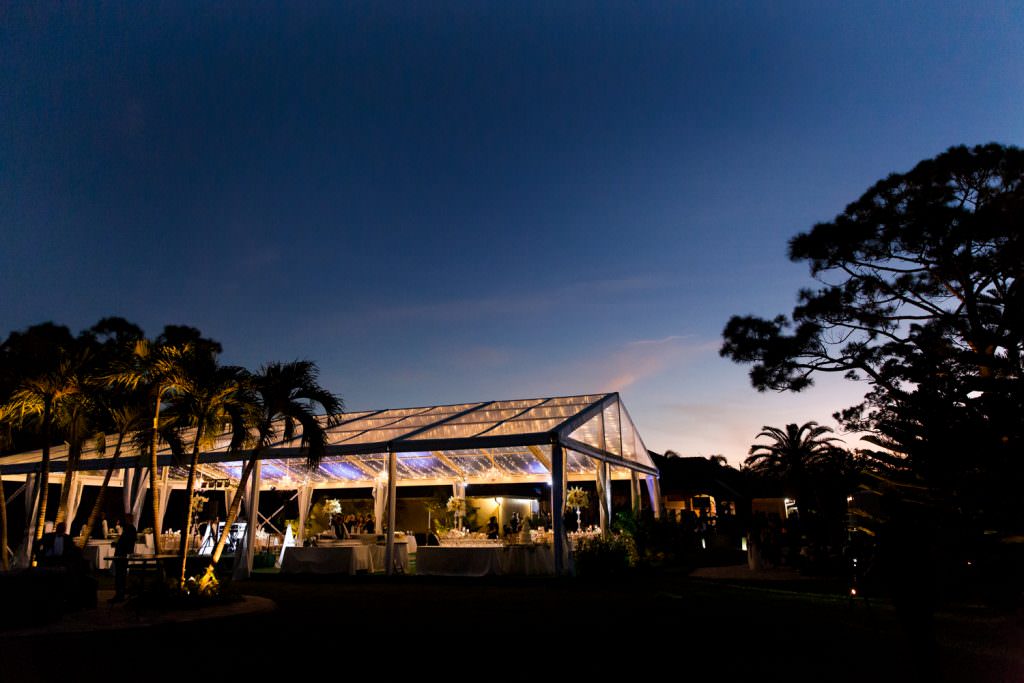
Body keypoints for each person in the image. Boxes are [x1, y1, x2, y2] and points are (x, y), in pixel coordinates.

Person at [110, 518, 137, 603]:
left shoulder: (130, 529)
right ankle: (119, 594)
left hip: (122, 555)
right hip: (121, 554)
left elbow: (126, 542)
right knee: (120, 575)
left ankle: (120, 595)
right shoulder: (129, 529)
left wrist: (117, 544)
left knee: (120, 576)